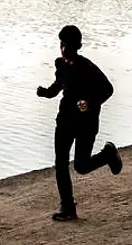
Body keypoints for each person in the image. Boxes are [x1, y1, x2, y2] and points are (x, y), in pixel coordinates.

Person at [36, 25, 122, 221]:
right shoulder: (61, 65)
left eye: (65, 44)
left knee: (81, 166)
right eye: (62, 44)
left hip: (86, 122)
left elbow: (108, 89)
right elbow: (58, 86)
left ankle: (108, 154)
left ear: (72, 45)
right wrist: (45, 93)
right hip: (65, 121)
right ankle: (68, 208)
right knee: (61, 163)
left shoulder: (87, 67)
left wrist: (89, 102)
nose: (62, 48)